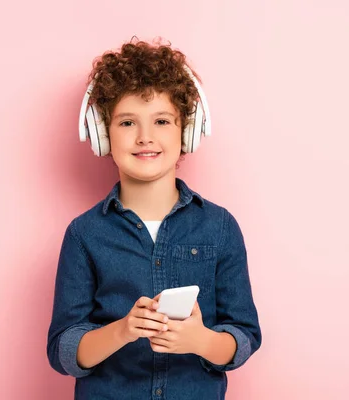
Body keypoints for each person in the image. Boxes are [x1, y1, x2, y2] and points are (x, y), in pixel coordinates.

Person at [47, 38, 261, 399]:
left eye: (162, 120)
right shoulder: (84, 235)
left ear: (186, 132)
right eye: (128, 122)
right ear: (103, 135)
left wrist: (201, 340)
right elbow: (63, 351)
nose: (145, 137)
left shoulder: (220, 227)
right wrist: (123, 330)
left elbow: (243, 336)